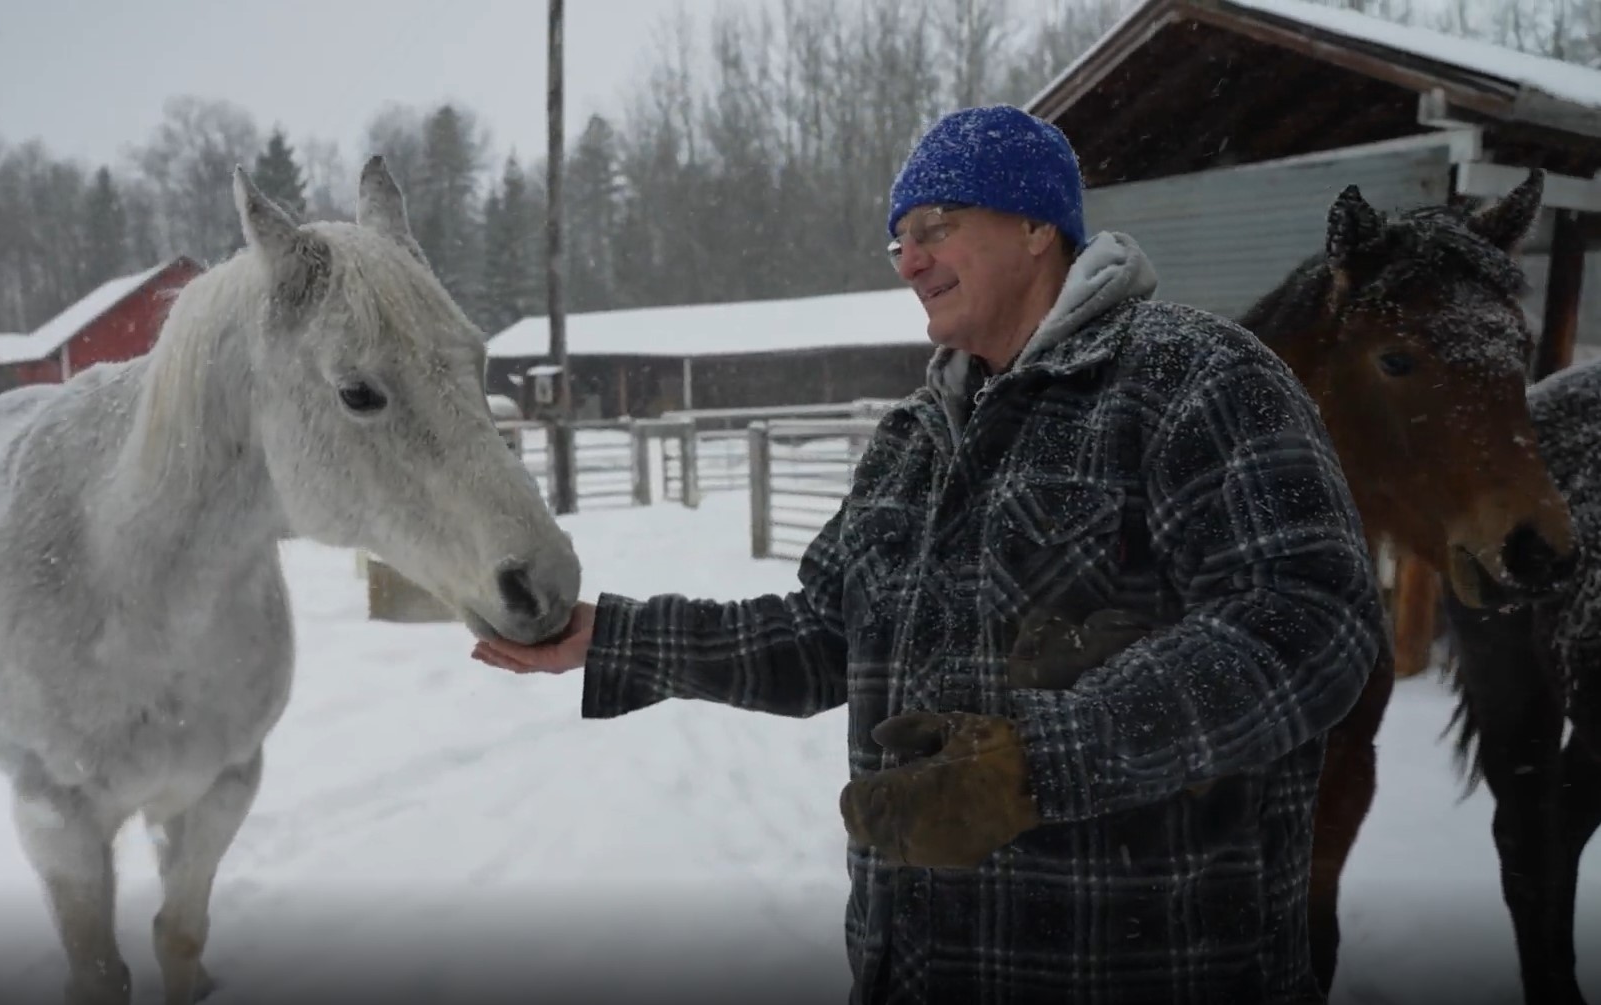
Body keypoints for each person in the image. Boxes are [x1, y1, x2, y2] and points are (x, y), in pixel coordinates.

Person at [470, 105, 1384, 1004]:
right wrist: (611, 637)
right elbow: (823, 635)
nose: (909, 260)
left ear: (1035, 226)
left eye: (936, 228)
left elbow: (1311, 621)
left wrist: (1042, 760)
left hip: (1144, 965)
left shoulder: (1196, 377)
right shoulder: (914, 438)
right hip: (914, 963)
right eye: (898, 239)